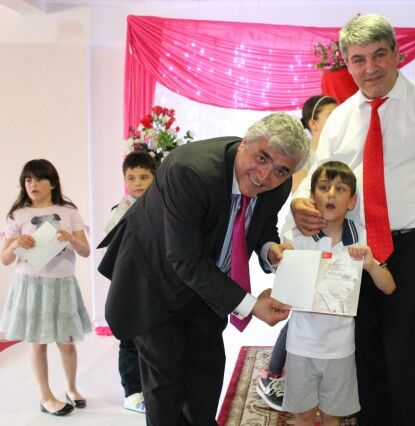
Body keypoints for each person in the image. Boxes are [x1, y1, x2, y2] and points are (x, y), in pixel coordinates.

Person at [290, 14, 415, 424]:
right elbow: (316, 177)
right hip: (354, 249)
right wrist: (298, 205)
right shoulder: (341, 118)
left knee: (409, 355)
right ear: (348, 64)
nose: (370, 68)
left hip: (414, 246)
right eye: (358, 60)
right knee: (364, 356)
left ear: (397, 54)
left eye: (379, 55)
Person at [97, 112, 309, 425]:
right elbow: (184, 259)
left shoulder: (279, 185)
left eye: (280, 170)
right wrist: (252, 306)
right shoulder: (190, 172)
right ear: (244, 143)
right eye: (262, 157)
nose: (265, 176)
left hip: (208, 288)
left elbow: (261, 225)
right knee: (166, 389)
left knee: (205, 382)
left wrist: (269, 250)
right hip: (154, 283)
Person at [282, 160, 395, 426]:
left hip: (340, 349)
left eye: (340, 189)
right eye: (324, 187)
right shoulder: (296, 237)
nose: (331, 194)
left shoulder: (361, 237)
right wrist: (281, 259)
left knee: (333, 416)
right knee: (303, 415)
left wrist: (371, 264)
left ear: (352, 201)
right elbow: (283, 286)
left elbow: (389, 286)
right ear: (312, 197)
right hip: (300, 344)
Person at [257, 95, 338, 411]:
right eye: (330, 116)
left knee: (320, 310)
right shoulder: (304, 157)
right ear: (313, 123)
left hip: (328, 240)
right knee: (299, 311)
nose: (337, 121)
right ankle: (271, 374)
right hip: (300, 240)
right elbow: (300, 199)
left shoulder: (338, 151)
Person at [0, 159, 92, 416]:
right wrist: (16, 243)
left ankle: (71, 388)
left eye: (39, 179)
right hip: (31, 286)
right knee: (38, 343)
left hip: (62, 285)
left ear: (52, 183)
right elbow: (5, 259)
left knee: (67, 343)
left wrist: (70, 238)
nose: (33, 184)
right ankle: (46, 396)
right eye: (28, 179)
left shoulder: (69, 212)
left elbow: (85, 251)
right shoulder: (18, 215)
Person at [105, 151, 157, 414]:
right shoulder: (119, 211)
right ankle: (132, 391)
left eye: (144, 177)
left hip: (154, 285)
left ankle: (152, 388)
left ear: (155, 177)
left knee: (153, 339)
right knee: (129, 340)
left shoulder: (164, 207)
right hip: (127, 286)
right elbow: (111, 251)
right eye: (131, 177)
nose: (137, 183)